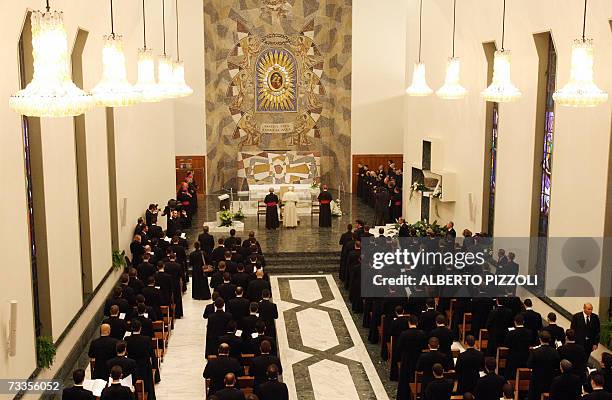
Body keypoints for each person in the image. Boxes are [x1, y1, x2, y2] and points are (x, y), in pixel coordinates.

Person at [396, 315, 427, 400]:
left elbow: (399, 347)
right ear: (417, 323)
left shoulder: (404, 334)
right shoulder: (422, 334)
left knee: (405, 379)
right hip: (418, 358)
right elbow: (424, 346)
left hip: (406, 359)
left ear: (408, 323)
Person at [125, 320, 157, 400]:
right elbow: (151, 353)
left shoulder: (127, 339)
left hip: (132, 367)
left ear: (132, 328)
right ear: (140, 328)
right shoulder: (146, 339)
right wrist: (154, 365)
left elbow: (126, 352)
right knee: (147, 385)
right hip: (145, 366)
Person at [527, 331, 560, 400]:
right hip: (549, 380)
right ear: (549, 340)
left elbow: (529, 365)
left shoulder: (535, 351)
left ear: (540, 339)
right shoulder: (555, 352)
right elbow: (557, 365)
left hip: (536, 380)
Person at [504, 314, 534, 380]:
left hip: (513, 358)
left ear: (515, 322)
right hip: (525, 358)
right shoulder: (529, 332)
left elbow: (506, 344)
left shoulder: (511, 333)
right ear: (523, 322)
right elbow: (531, 343)